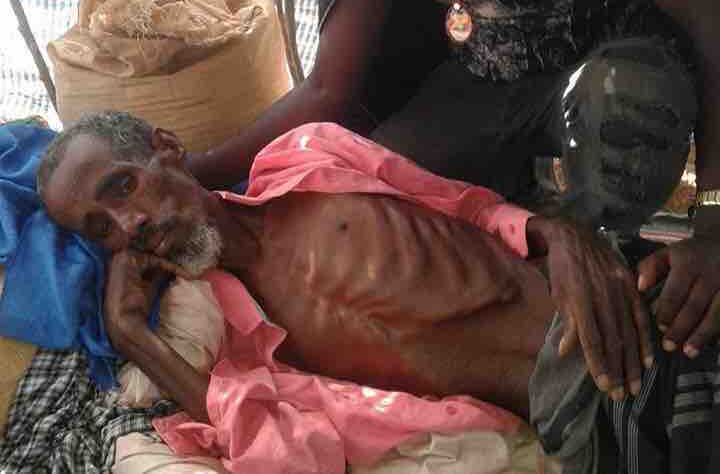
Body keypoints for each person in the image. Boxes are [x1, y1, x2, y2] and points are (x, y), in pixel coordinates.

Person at [37, 112, 720, 472]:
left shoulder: (311, 153)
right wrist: (134, 337)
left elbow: (464, 204)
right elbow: (283, 455)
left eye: (122, 187)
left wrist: (558, 232)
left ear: (166, 147)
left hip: (624, 306)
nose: (129, 225)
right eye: (101, 230)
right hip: (584, 422)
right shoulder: (238, 347)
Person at [187, 0, 720, 386]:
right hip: (482, 77)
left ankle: (610, 260)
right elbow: (330, 87)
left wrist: (714, 226)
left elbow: (709, 24)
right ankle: (539, 253)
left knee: (628, 107)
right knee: (386, 193)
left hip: (613, 63)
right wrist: (197, 173)